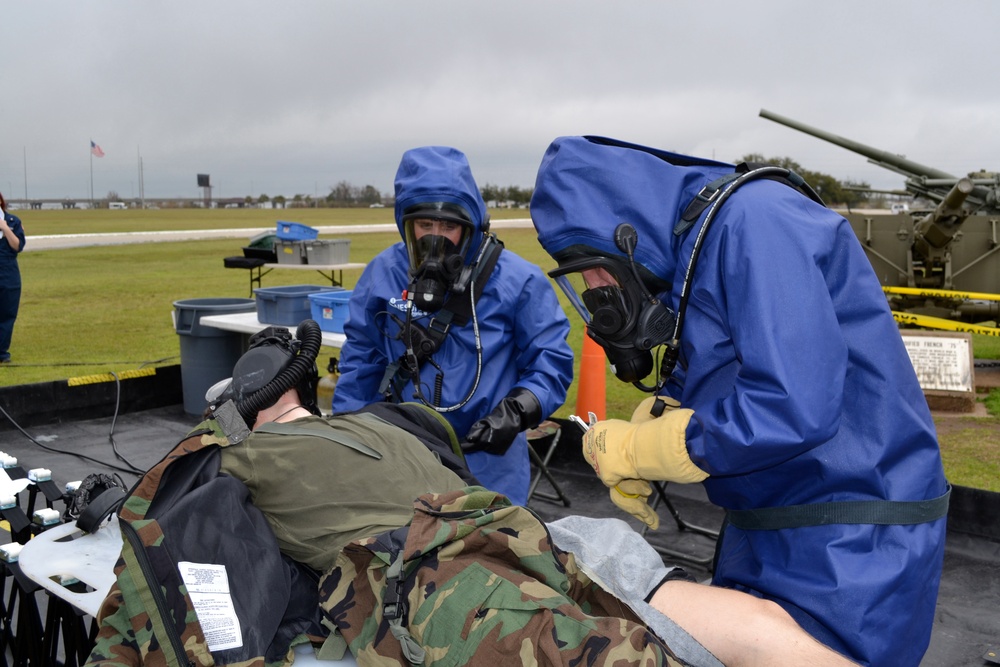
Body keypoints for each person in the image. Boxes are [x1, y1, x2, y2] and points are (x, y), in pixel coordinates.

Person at [86, 321, 857, 667]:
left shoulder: (229, 454)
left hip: (441, 573)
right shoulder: (384, 421)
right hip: (534, 534)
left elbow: (153, 536)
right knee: (721, 617)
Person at [527, 135, 950, 667]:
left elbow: (794, 403)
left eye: (591, 265)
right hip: (775, 524)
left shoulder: (754, 222)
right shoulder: (698, 247)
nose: (592, 286)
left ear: (625, 233)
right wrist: (658, 415)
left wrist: (654, 449)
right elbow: (728, 361)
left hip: (852, 545)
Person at [332, 146, 574, 505]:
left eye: (448, 226)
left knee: (489, 556)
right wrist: (349, 439)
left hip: (488, 461)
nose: (436, 237)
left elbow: (550, 361)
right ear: (406, 224)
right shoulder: (382, 274)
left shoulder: (519, 281)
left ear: (470, 225)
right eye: (425, 225)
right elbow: (361, 362)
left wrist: (517, 410)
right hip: (404, 458)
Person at [0, 191, 25, 364]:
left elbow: (17, 246)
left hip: (8, 271)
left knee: (7, 312)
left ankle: (1, 352)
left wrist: (4, 228)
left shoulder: (13, 221)